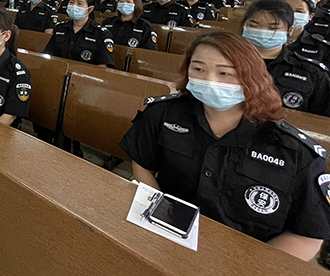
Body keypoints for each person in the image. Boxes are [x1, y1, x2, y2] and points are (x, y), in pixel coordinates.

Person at [120, 31, 330, 261]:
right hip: (165, 237)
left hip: (243, 258)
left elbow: (307, 235)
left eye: (224, 73)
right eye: (198, 69)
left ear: (251, 77)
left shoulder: (295, 152)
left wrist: (248, 267)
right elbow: (143, 162)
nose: (210, 80)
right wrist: (159, 215)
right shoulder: (162, 113)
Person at [241, 0, 330, 117]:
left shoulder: (311, 72)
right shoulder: (225, 62)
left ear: (290, 31)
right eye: (253, 25)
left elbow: (322, 119)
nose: (262, 32)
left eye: (273, 28)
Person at [45, 0, 115, 68]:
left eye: (79, 3)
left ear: (90, 9)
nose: (74, 6)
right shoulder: (59, 28)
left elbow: (102, 66)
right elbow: (49, 54)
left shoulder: (101, 33)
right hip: (57, 70)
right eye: (71, 2)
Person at [285, 0, 330, 68]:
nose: (293, 14)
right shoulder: (266, 41)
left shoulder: (323, 47)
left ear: (310, 16)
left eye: (299, 11)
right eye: (287, 11)